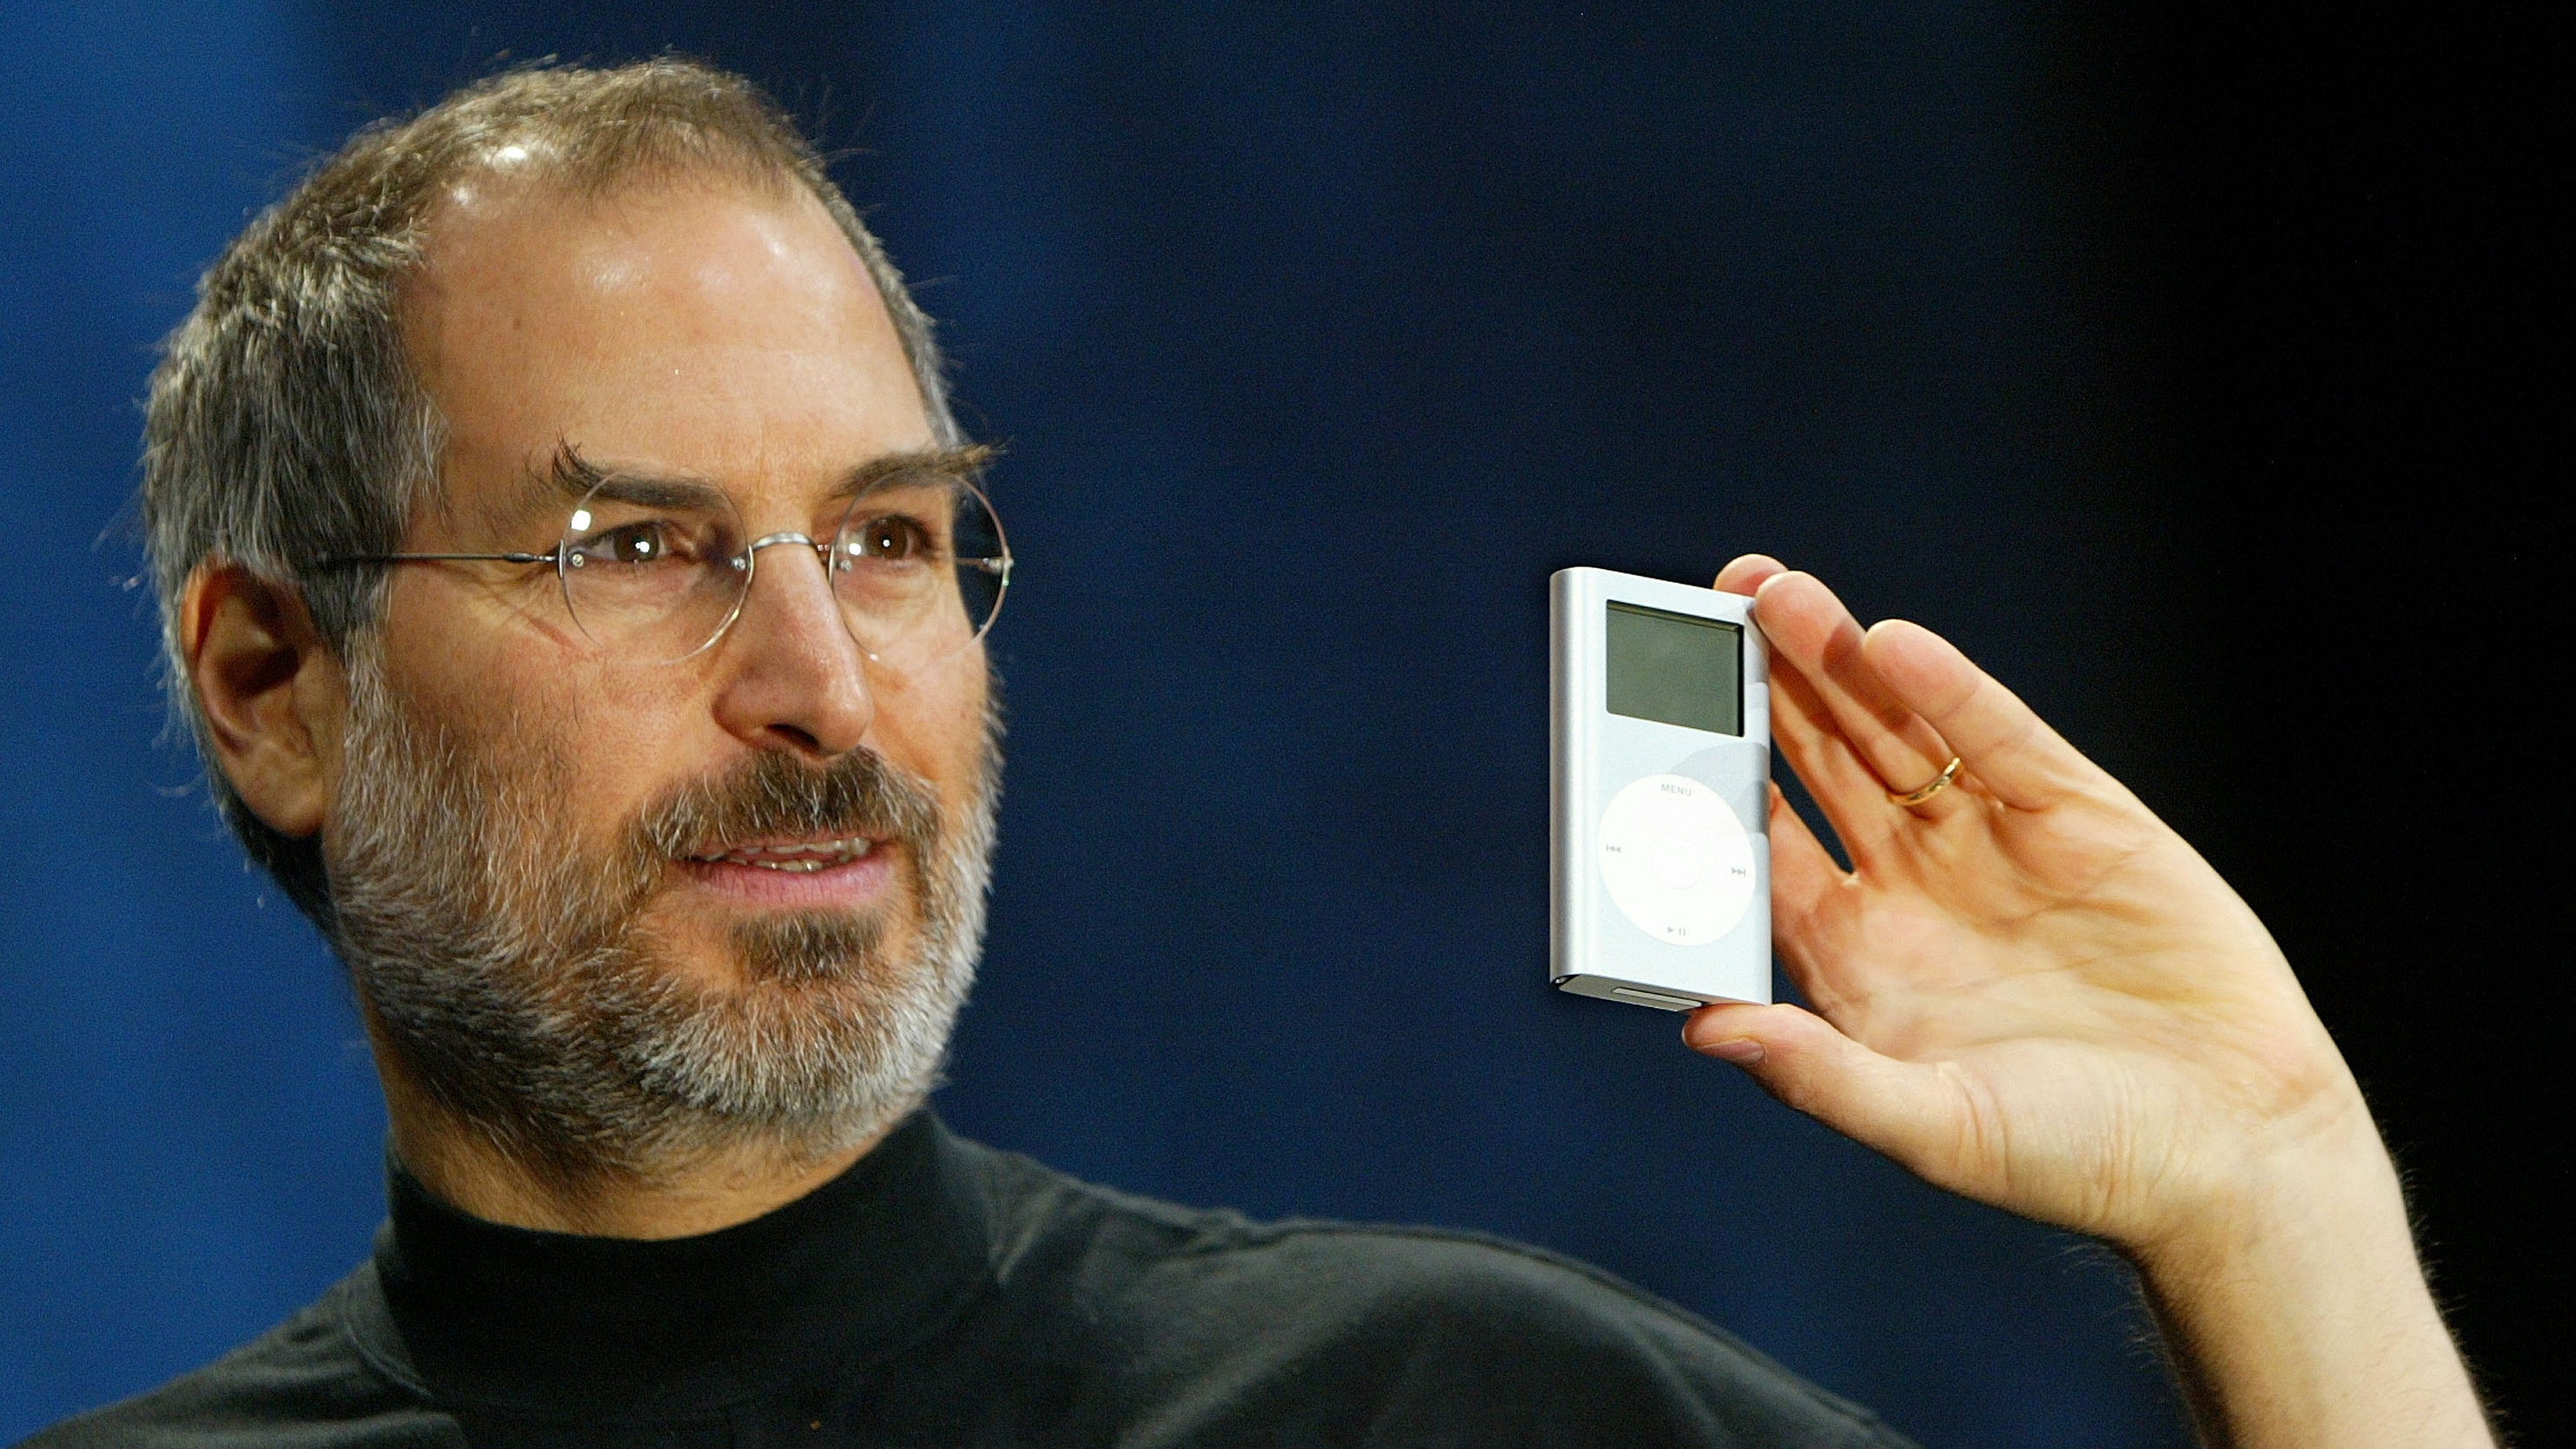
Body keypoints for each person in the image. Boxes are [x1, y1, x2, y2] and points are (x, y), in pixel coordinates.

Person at [23, 58, 2490, 1449]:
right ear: (272, 682)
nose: (827, 694)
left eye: (891, 543)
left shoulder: (1463, 1408)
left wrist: (2274, 1202)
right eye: (637, 551)